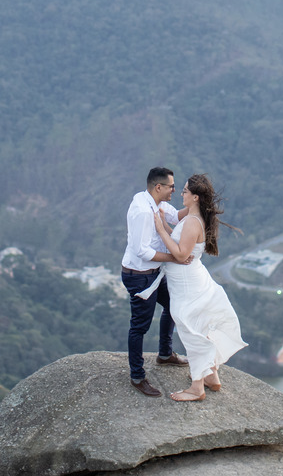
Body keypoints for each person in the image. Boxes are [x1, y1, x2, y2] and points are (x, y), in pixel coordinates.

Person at [152, 173, 247, 402]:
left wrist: (161, 230)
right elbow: (179, 239)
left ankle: (197, 387)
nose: (181, 193)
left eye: (184, 191)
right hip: (191, 279)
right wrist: (163, 222)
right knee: (200, 327)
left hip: (187, 285)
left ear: (195, 197)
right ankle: (211, 376)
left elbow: (181, 253)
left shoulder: (193, 222)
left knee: (190, 330)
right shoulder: (192, 218)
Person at [122, 166, 190, 397]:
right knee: (139, 326)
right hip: (139, 276)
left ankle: (164, 354)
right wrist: (176, 257)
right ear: (158, 187)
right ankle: (137, 376)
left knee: (173, 305)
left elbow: (176, 215)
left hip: (154, 272)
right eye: (171, 186)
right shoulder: (142, 210)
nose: (174, 190)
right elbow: (142, 251)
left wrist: (199, 204)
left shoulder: (156, 202)